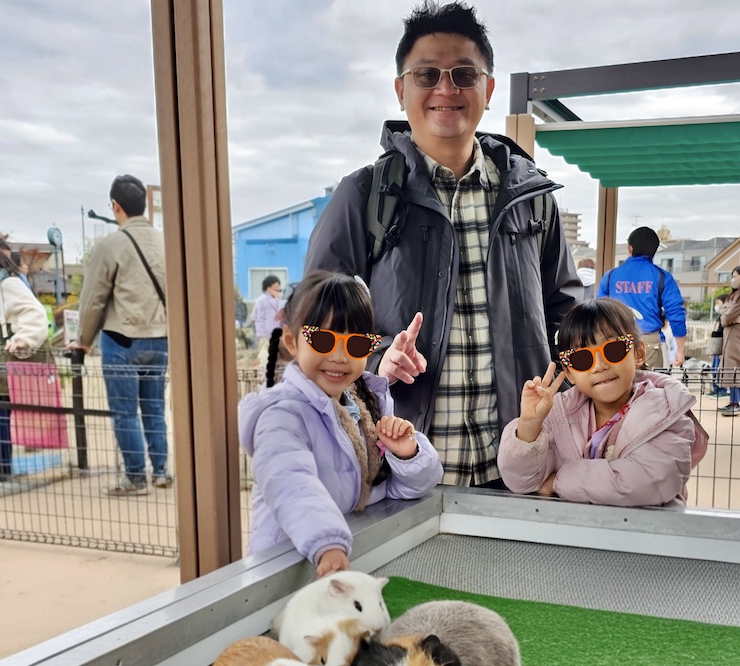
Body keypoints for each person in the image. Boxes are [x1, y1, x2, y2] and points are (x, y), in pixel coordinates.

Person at [304, 1, 581, 488]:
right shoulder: (364, 196)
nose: (446, 89)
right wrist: (375, 359)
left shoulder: (531, 198)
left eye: (464, 74)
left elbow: (566, 314)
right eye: (427, 74)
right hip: (400, 466)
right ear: (401, 89)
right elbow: (314, 321)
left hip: (520, 466)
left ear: (488, 89)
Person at [240, 270, 443, 576]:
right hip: (286, 573)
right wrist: (328, 543)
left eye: (356, 345)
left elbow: (396, 491)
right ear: (293, 343)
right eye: (322, 340)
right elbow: (291, 483)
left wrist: (408, 455)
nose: (339, 356)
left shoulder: (369, 403)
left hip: (342, 563)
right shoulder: (281, 415)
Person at [497, 298, 708, 507]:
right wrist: (529, 425)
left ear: (639, 353)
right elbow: (522, 481)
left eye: (614, 350)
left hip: (644, 535)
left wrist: (558, 481)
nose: (599, 365)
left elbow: (649, 481)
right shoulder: (557, 415)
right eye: (582, 359)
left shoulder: (667, 411)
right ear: (569, 372)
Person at [74, 173, 170, 495]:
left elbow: (93, 299)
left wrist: (84, 340)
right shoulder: (164, 243)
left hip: (122, 339)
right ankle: (161, 471)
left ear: (116, 207)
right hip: (161, 339)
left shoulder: (111, 244)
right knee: (154, 407)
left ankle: (134, 478)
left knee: (125, 412)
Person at [0, 242, 50, 479]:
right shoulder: (1, 285)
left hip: (8, 356)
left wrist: (22, 339)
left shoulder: (7, 285)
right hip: (2, 354)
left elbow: (35, 313)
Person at [596, 226, 686, 370]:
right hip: (649, 342)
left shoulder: (611, 276)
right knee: (648, 388)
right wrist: (679, 349)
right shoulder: (662, 277)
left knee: (617, 388)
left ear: (630, 248)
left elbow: (598, 309)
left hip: (614, 340)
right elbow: (676, 312)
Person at [718, 267, 740, 416]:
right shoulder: (734, 295)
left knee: (734, 368)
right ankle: (733, 401)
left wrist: (725, 314)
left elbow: (727, 316)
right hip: (730, 335)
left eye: (735, 276)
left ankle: (735, 403)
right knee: (730, 368)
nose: (733, 279)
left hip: (736, 336)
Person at [251, 275, 283, 366]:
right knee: (264, 358)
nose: (278, 290)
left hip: (276, 334)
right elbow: (258, 319)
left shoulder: (277, 300)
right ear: (268, 288)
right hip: (265, 335)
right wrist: (261, 334)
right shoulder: (261, 301)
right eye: (275, 288)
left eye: (278, 287)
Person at [707, 293, 729, 398]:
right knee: (714, 369)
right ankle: (716, 389)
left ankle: (722, 390)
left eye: (718, 303)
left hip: (722, 347)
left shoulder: (726, 317)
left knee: (720, 370)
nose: (717, 305)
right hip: (717, 346)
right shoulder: (719, 317)